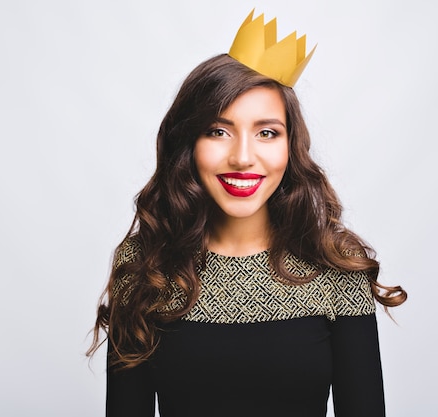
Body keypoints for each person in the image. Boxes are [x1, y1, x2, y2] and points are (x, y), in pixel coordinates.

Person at [88, 10, 406, 417]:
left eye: (266, 132)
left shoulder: (336, 267)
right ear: (189, 144)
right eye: (218, 131)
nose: (242, 157)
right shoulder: (143, 266)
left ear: (291, 147)